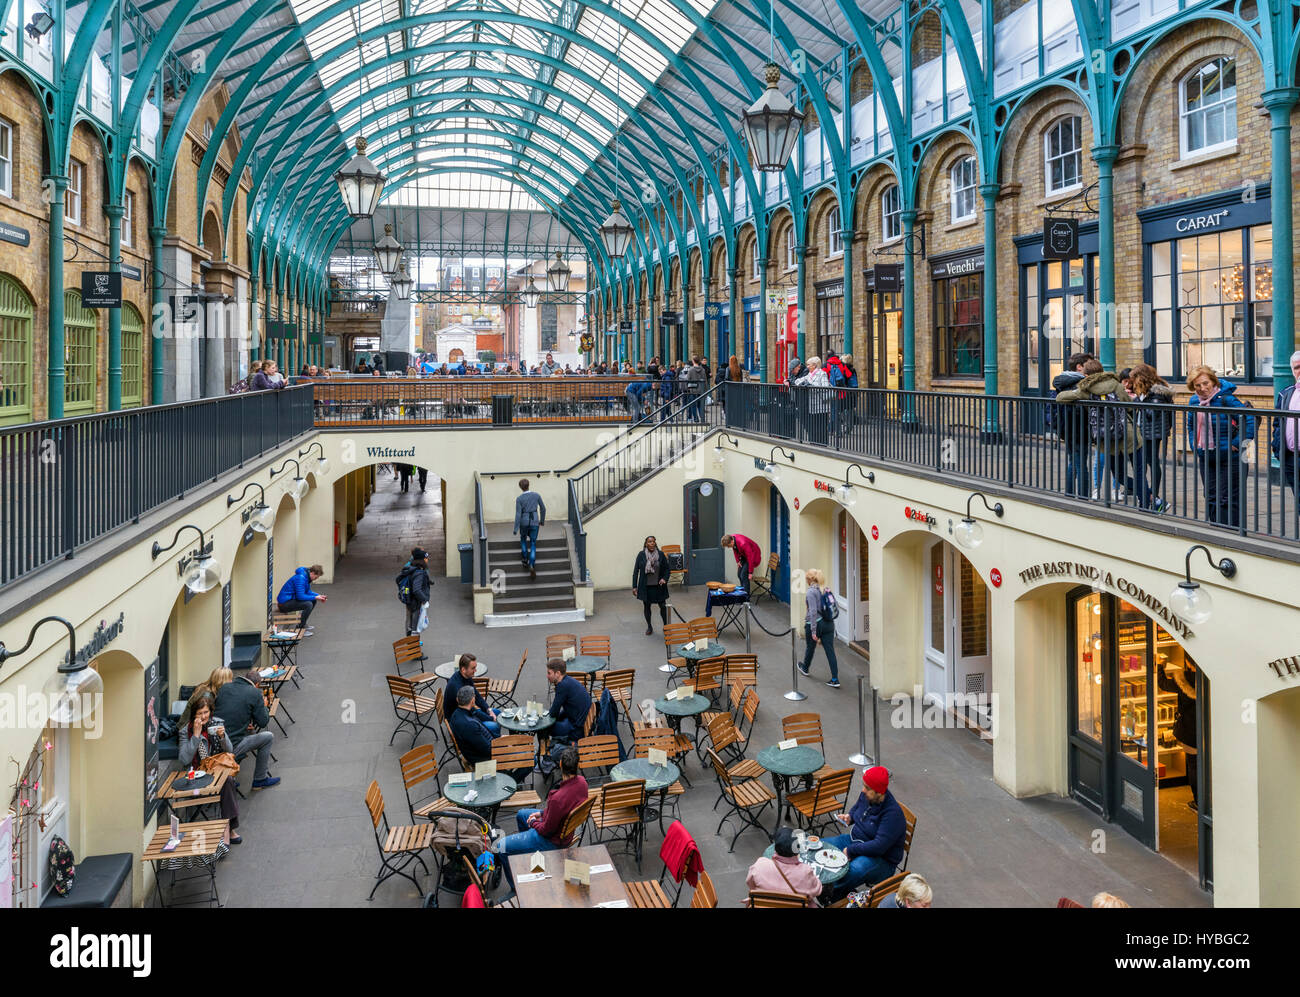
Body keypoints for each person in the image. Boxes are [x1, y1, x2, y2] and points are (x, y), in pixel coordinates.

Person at [1055, 359, 1147, 508]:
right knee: (1139, 470)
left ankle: (1109, 497)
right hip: (1128, 433)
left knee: (1119, 474)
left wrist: (1076, 394)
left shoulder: (1086, 390)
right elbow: (1128, 407)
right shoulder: (1116, 385)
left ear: (1086, 375)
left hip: (1107, 438)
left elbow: (1060, 398)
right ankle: (1147, 502)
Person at [495, 747, 589, 887]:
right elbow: (563, 809)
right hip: (564, 831)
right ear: (577, 765)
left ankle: (515, 888)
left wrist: (533, 822)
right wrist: (541, 813)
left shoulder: (557, 798)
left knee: (500, 846)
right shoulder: (582, 783)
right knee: (521, 815)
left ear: (561, 765)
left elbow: (546, 830)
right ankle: (530, 856)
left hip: (552, 841)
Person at [1186, 365, 1255, 528]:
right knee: (1210, 496)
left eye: (1205, 383)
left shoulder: (1226, 399)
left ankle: (1232, 532)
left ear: (1213, 381)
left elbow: (1248, 420)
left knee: (1228, 498)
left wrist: (1236, 444)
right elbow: (1190, 425)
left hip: (1230, 457)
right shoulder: (1194, 401)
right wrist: (1194, 445)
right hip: (1206, 455)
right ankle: (1216, 530)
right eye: (1197, 385)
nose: (1202, 388)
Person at [825, 766, 906, 897]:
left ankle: (827, 894)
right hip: (855, 840)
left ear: (880, 792)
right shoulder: (868, 795)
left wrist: (851, 850)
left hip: (881, 859)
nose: (863, 790)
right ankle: (832, 891)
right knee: (822, 846)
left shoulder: (893, 815)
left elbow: (878, 847)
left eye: (867, 788)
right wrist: (850, 817)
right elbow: (858, 807)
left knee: (852, 871)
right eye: (864, 785)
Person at [177, 695, 241, 845]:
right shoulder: (185, 731)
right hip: (196, 774)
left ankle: (226, 827)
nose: (203, 716)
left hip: (216, 769)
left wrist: (223, 737)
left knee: (228, 780)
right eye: (199, 713)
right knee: (228, 782)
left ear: (210, 712)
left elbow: (230, 751)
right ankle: (230, 830)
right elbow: (183, 759)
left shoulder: (217, 723)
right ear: (194, 715)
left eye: (206, 712)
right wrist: (196, 736)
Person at [212, 670, 279, 789]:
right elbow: (263, 722)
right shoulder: (255, 692)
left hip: (214, 742)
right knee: (268, 737)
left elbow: (230, 710)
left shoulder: (225, 687)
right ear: (257, 684)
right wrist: (263, 705)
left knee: (249, 730)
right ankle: (260, 779)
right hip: (231, 746)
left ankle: (231, 774)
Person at [1129, 363, 1175, 512]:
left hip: (1153, 432)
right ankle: (1149, 495)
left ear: (1141, 378)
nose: (1133, 383)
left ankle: (1153, 495)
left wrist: (1138, 401)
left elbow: (1151, 414)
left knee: (1152, 462)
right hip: (1146, 431)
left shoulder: (1157, 393)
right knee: (1146, 462)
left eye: (1134, 379)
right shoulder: (1148, 392)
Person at [1052, 352, 1094, 498]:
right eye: (1088, 365)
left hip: (1067, 428)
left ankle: (1069, 494)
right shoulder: (1081, 383)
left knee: (1074, 462)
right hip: (1079, 428)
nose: (1091, 369)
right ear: (1079, 367)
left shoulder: (1064, 379)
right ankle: (1083, 497)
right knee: (1082, 464)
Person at [1160, 658, 1199, 812]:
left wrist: (1159, 667)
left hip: (1189, 730)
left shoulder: (1182, 679)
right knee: (1205, 765)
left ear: (1188, 663)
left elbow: (1163, 684)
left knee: (1193, 766)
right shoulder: (1208, 678)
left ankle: (1198, 801)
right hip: (1208, 729)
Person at [745, 827, 823, 904]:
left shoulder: (760, 865)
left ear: (775, 847)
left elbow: (750, 884)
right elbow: (817, 891)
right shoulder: (805, 871)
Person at [797, 567, 840, 688]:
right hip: (829, 623)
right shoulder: (824, 589)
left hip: (817, 623)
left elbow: (813, 612)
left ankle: (805, 667)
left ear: (809, 579)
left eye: (806, 579)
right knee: (830, 651)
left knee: (810, 647)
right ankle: (835, 679)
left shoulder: (811, 592)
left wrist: (814, 631)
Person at [443, 653, 500, 733]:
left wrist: (488, 710)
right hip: (460, 721)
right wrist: (491, 718)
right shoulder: (456, 687)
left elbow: (477, 696)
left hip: (467, 713)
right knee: (495, 726)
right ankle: (493, 742)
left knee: (498, 713)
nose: (475, 670)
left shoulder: (466, 677)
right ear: (463, 669)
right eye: (473, 668)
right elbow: (472, 711)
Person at [1271, 350, 1300, 500]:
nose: (1299, 371)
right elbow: (1277, 424)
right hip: (1291, 457)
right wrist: (1278, 448)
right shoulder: (1285, 394)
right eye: (1296, 367)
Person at [545, 658, 591, 742]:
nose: (547, 676)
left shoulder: (562, 686)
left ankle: (545, 753)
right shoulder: (568, 680)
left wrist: (549, 718)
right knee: (554, 722)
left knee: (544, 728)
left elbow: (553, 713)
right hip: (580, 721)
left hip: (575, 729)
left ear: (558, 673)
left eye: (549, 673)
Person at [632, 535, 670, 634]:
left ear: (655, 543)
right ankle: (649, 627)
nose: (652, 543)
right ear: (646, 544)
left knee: (663, 606)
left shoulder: (661, 554)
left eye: (653, 541)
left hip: (659, 587)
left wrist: (664, 579)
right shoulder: (641, 555)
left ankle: (666, 626)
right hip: (646, 587)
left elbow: (667, 569)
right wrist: (634, 587)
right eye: (649, 541)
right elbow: (636, 571)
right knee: (647, 607)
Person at [449, 685, 496, 764]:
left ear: (458, 699)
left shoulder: (456, 713)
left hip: (486, 747)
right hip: (485, 760)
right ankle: (510, 776)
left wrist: (499, 739)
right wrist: (503, 745)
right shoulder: (469, 725)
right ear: (472, 701)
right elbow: (487, 750)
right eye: (474, 696)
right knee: (524, 757)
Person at [794, 356, 832, 444]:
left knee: (822, 426)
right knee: (814, 426)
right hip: (812, 406)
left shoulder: (822, 374)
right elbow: (797, 381)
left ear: (814, 365)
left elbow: (825, 388)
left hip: (821, 406)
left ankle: (822, 444)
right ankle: (814, 442)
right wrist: (803, 383)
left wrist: (811, 385)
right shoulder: (809, 375)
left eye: (809, 365)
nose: (807, 366)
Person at [275, 564, 325, 629]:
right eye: (316, 577)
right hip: (284, 604)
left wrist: (318, 595)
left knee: (313, 601)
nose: (315, 579)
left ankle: (303, 623)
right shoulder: (301, 578)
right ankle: (301, 627)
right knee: (308, 604)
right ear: (312, 573)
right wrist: (315, 597)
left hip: (290, 600)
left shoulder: (306, 577)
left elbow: (307, 592)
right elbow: (300, 596)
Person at [513, 478, 546, 579]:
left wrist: (516, 528)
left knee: (523, 539)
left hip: (524, 522)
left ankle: (524, 558)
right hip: (535, 521)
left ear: (520, 487)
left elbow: (518, 514)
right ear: (529, 485)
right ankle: (531, 563)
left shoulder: (519, 499)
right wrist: (542, 521)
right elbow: (543, 508)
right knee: (532, 543)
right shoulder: (536, 495)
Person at [397, 550, 432, 636]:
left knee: (411, 625)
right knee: (415, 628)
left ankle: (412, 645)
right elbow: (417, 590)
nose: (427, 560)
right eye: (426, 558)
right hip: (416, 603)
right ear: (421, 560)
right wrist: (424, 600)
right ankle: (413, 647)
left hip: (410, 601)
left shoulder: (411, 569)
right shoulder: (419, 572)